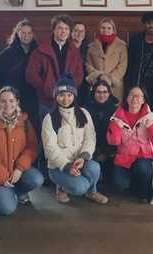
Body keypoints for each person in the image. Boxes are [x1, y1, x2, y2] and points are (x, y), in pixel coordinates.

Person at [0, 87, 43, 215]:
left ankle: (17, 192)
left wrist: (20, 168)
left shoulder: (25, 122)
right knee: (8, 209)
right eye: (3, 101)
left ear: (17, 102)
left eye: (12, 100)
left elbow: (32, 147)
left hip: (17, 171)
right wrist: (1, 177)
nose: (8, 104)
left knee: (37, 179)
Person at [41, 74, 108, 204]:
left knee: (94, 168)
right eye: (61, 95)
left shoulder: (83, 113)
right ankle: (61, 187)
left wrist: (83, 157)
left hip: (79, 161)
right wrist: (67, 166)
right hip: (59, 166)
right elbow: (50, 149)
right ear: (56, 96)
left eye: (69, 95)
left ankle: (92, 192)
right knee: (80, 187)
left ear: (74, 96)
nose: (65, 99)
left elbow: (90, 138)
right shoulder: (49, 118)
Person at [107, 86, 153, 203]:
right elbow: (113, 142)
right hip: (125, 157)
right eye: (132, 95)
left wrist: (151, 127)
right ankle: (134, 186)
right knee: (120, 184)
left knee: (142, 168)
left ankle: (144, 191)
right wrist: (115, 127)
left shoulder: (151, 117)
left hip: (145, 158)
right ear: (127, 98)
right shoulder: (117, 116)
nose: (135, 98)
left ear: (144, 100)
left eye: (139, 96)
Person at [26, 14, 83, 123]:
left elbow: (79, 74)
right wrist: (45, 88)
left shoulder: (74, 50)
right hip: (47, 101)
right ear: (54, 30)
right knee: (47, 134)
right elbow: (31, 74)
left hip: (68, 100)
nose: (63, 31)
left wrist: (70, 89)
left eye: (66, 28)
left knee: (66, 135)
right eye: (60, 28)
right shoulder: (41, 50)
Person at [0, 18, 38, 129]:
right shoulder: (7, 53)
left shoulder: (38, 52)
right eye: (23, 33)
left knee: (32, 128)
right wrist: (7, 92)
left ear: (33, 35)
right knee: (14, 128)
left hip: (33, 98)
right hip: (12, 99)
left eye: (29, 33)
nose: (26, 36)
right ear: (17, 33)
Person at [126, 12, 153, 119]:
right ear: (144, 24)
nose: (151, 26)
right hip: (139, 83)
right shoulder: (135, 42)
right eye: (149, 23)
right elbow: (130, 64)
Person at [84, 77, 118, 185]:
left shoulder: (116, 110)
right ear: (93, 93)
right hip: (90, 149)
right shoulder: (85, 109)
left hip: (110, 150)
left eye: (105, 92)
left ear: (109, 93)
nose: (101, 95)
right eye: (98, 92)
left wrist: (106, 152)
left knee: (114, 182)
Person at [85, 18, 127, 102]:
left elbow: (123, 66)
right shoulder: (91, 46)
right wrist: (100, 75)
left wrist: (110, 78)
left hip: (114, 85)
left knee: (114, 110)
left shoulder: (121, 46)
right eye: (103, 28)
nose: (106, 30)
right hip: (97, 83)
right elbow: (87, 64)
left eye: (109, 28)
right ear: (99, 29)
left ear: (113, 30)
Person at [72, 21, 90, 105]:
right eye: (76, 31)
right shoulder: (66, 47)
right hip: (70, 82)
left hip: (85, 83)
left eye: (82, 31)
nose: (80, 34)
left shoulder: (89, 48)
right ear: (71, 32)